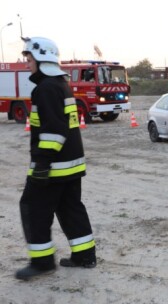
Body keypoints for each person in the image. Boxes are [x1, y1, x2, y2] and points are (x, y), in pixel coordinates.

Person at [16, 37, 97, 280]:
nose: (27, 63)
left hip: (53, 168)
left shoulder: (46, 88)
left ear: (41, 59)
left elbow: (54, 130)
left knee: (33, 209)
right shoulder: (60, 84)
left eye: (29, 59)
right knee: (70, 208)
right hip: (71, 165)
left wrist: (41, 164)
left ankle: (42, 263)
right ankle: (85, 255)